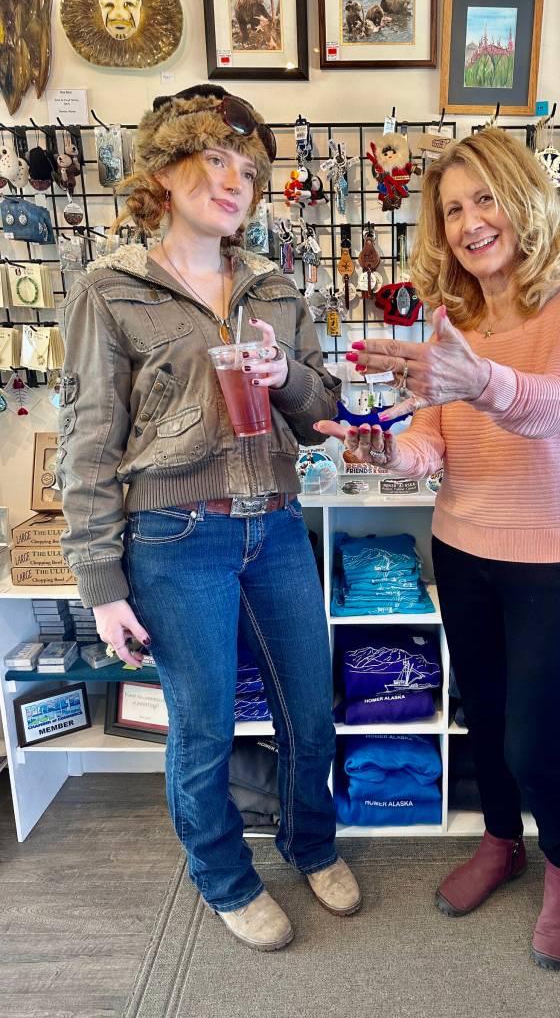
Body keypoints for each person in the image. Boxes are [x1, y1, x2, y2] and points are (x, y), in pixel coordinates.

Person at [57, 85, 360, 952]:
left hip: (275, 526)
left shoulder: (272, 284)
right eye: (215, 160)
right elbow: (87, 441)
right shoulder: (109, 290)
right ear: (167, 166)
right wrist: (100, 583)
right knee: (204, 728)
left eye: (249, 171)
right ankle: (224, 878)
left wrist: (286, 380)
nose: (234, 182)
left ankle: (311, 844)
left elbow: (321, 407)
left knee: (312, 706)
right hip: (175, 539)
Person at [316, 127, 560, 970]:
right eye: (452, 209)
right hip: (464, 544)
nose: (469, 221)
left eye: (484, 197)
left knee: (533, 741)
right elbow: (429, 447)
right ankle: (501, 842)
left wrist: (474, 375)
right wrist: (382, 453)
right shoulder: (454, 324)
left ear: (523, 200)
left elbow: (553, 406)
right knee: (483, 715)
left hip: (554, 552)